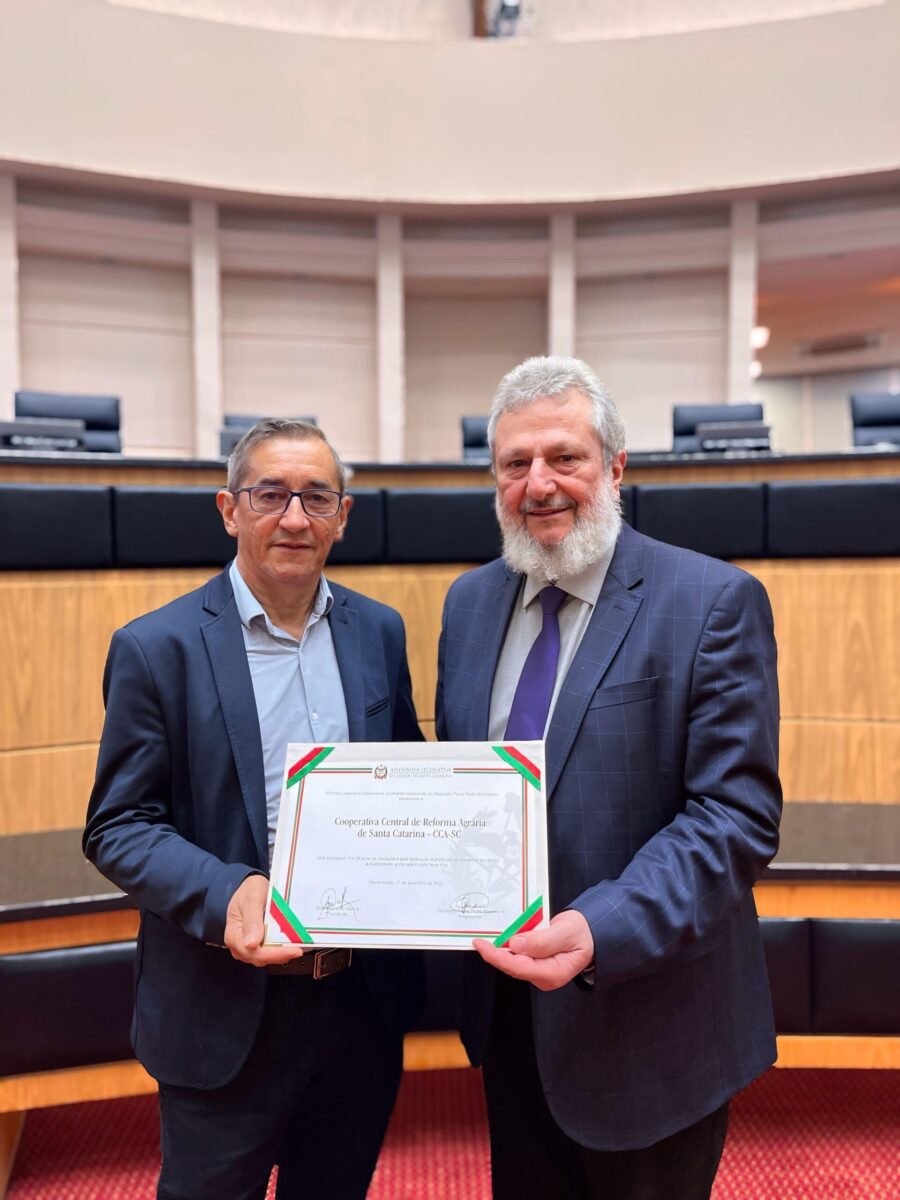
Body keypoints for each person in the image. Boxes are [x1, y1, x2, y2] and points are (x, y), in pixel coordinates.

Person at [436, 357, 782, 1200]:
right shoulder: (468, 604)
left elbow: (734, 816)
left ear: (617, 468)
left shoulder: (711, 602)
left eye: (565, 457)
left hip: (651, 1028)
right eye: (515, 464)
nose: (539, 484)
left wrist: (601, 926)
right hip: (510, 1021)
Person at [84, 418, 423, 1200]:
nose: (295, 518)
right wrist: (227, 891)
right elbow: (119, 826)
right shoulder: (155, 647)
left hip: (358, 1004)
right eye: (271, 494)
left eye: (316, 497)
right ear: (229, 509)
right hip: (222, 1011)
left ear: (344, 515)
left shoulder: (378, 631)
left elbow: (401, 776)